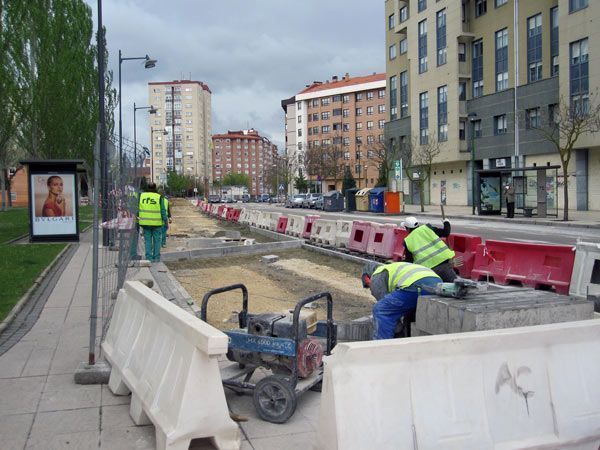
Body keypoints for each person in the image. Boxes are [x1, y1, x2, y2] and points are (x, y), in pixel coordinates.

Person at [361, 261, 441, 340]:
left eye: (368, 286)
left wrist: (397, 332)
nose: (371, 288)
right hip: (436, 284)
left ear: (367, 278)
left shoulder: (376, 275)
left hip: (416, 285)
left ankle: (382, 347)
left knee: (381, 310)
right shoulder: (392, 268)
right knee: (407, 311)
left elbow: (388, 310)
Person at [401, 216, 457, 282]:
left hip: (428, 272)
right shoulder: (427, 228)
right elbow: (446, 232)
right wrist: (446, 222)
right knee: (455, 287)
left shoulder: (408, 241)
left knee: (434, 290)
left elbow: (410, 262)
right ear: (418, 225)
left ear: (407, 229)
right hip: (444, 265)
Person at [137, 182, 167, 262]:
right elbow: (163, 211)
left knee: (147, 241)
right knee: (157, 241)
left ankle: (148, 258)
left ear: (147, 188)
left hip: (145, 223)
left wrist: (137, 217)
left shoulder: (142, 196)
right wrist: (165, 220)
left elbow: (137, 208)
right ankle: (156, 258)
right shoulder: (158, 197)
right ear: (155, 188)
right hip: (156, 223)